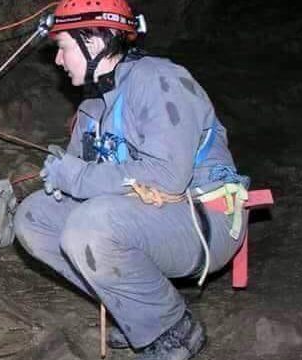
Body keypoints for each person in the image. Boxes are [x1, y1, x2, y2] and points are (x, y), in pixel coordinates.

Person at [14, 1, 249, 359]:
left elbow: (167, 178)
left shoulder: (159, 80)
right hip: (144, 219)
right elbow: (86, 175)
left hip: (204, 218)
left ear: (92, 41)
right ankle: (140, 311)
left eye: (62, 47)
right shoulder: (92, 107)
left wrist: (76, 177)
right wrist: (63, 176)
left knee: (90, 225)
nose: (58, 61)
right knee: (33, 217)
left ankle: (173, 332)